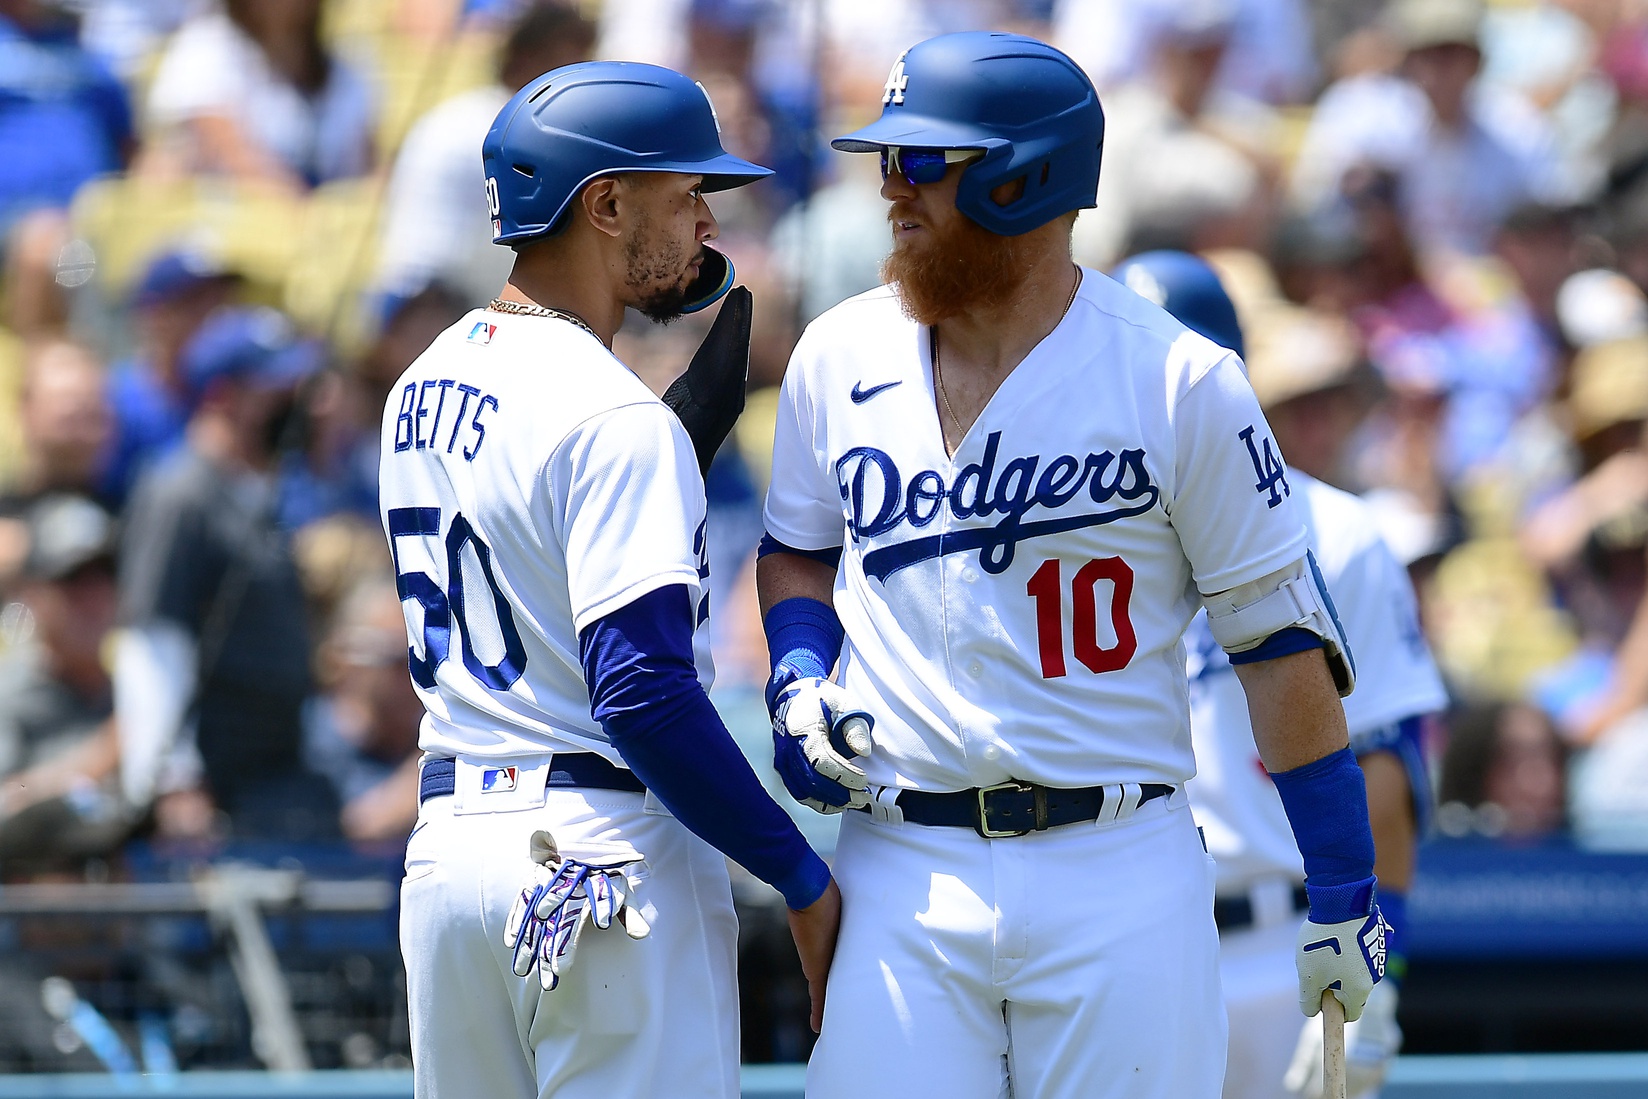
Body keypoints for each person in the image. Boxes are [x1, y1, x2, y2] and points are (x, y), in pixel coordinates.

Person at [758, 31, 1385, 1099]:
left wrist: (1343, 890)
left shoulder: (1178, 379)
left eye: (921, 164)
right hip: (903, 858)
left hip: (1116, 865)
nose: (891, 192)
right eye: (884, 164)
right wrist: (796, 673)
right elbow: (795, 551)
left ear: (1022, 177)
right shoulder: (838, 353)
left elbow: (1280, 648)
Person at [386, 61, 839, 1099]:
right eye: (684, 196)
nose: (703, 226)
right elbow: (639, 692)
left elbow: (526, 543)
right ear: (603, 204)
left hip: (451, 853)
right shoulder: (614, 416)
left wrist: (674, 438)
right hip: (598, 855)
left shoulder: (418, 384)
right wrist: (798, 874)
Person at [1110, 251, 1448, 1099]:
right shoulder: (1074, 532)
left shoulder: (1333, 529)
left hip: (1291, 942)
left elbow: (1384, 766)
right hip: (1123, 930)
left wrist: (1384, 961)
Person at [113, 306, 340, 843]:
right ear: (222, 396)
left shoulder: (265, 489)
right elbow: (151, 642)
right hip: (215, 793)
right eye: (278, 388)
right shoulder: (180, 494)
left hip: (276, 778)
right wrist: (172, 780)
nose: (303, 403)